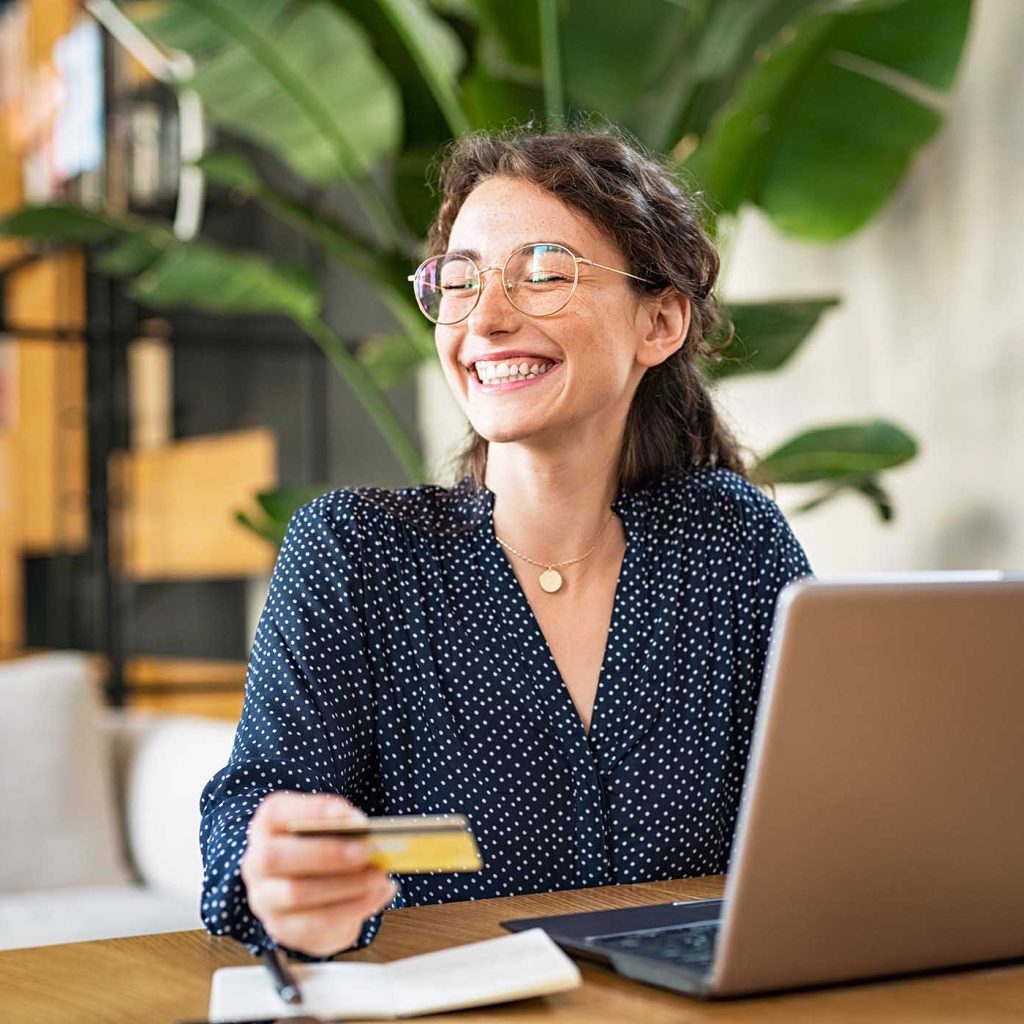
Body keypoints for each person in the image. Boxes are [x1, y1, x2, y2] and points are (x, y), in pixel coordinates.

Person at [199, 128, 813, 961]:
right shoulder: (354, 553)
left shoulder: (731, 544)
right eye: (461, 279)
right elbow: (251, 813)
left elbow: (831, 819)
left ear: (660, 321)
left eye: (546, 273)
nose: (486, 318)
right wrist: (276, 875)